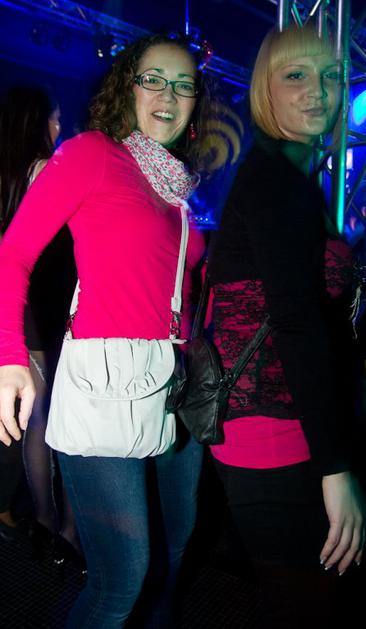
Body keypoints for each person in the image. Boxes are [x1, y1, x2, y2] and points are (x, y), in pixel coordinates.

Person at [0, 33, 213, 628]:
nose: (168, 95)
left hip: (176, 384)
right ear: (127, 87)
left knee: (174, 550)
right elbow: (11, 254)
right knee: (122, 576)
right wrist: (9, 356)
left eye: (183, 85)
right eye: (154, 80)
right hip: (107, 383)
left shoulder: (176, 184)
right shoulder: (92, 153)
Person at [208, 25, 364, 628]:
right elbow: (297, 324)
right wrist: (335, 468)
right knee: (304, 607)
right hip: (273, 431)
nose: (318, 91)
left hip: (284, 421)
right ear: (263, 91)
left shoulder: (291, 174)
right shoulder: (275, 181)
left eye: (330, 76)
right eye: (296, 75)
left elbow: (327, 296)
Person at [0, 86, 78, 549]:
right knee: (49, 416)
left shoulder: (5, 172)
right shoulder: (48, 171)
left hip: (14, 307)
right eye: (55, 118)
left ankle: (37, 517)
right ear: (37, 122)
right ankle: (54, 522)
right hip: (44, 304)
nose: (59, 127)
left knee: (29, 416)